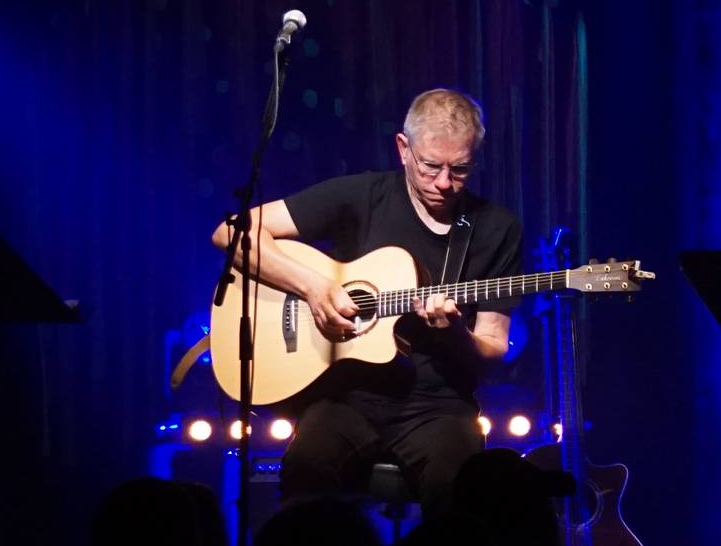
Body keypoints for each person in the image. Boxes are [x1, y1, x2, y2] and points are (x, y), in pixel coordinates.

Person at [209, 87, 520, 515]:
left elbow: (492, 345)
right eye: (431, 167)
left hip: (439, 405)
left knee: (462, 488)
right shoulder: (361, 196)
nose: (444, 183)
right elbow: (231, 233)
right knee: (305, 470)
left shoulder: (496, 228)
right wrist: (313, 287)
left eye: (460, 170)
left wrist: (455, 336)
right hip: (347, 397)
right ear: (403, 149)